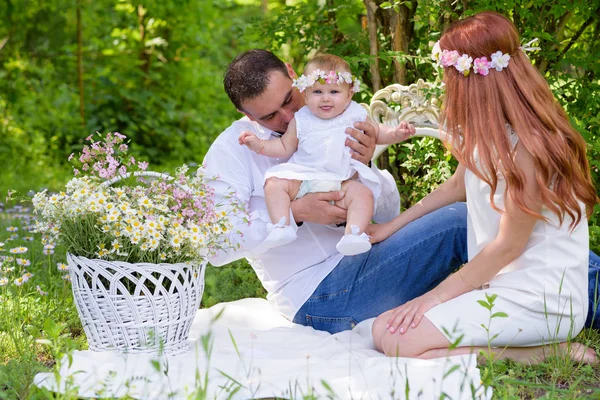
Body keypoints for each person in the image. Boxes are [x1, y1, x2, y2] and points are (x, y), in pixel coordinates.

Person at [203, 48, 600, 337]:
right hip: (321, 297)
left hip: (368, 258)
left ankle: (568, 302)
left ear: (295, 75)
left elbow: (385, 209)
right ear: (246, 115)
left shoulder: (331, 114)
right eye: (269, 116)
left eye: (290, 100)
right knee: (459, 222)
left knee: (480, 221)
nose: (288, 117)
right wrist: (297, 211)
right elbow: (215, 246)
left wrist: (366, 167)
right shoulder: (231, 150)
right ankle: (576, 301)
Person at [368, 11, 599, 364]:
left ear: (471, 81)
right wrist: (390, 226)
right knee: (383, 330)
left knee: (399, 342)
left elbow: (508, 246)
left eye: (448, 76)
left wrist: (434, 298)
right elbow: (456, 186)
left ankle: (543, 353)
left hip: (541, 297)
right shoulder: (486, 132)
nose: (445, 85)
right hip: (498, 284)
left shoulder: (532, 146)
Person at [238, 54, 415, 256]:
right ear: (305, 93)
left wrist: (396, 133)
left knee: (362, 194)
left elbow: (376, 132)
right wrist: (259, 144)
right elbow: (283, 146)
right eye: (317, 92)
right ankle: (281, 226)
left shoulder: (355, 114)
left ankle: (354, 235)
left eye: (333, 91)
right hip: (304, 179)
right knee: (274, 183)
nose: (325, 98)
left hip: (341, 181)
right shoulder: (301, 119)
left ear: (349, 95)